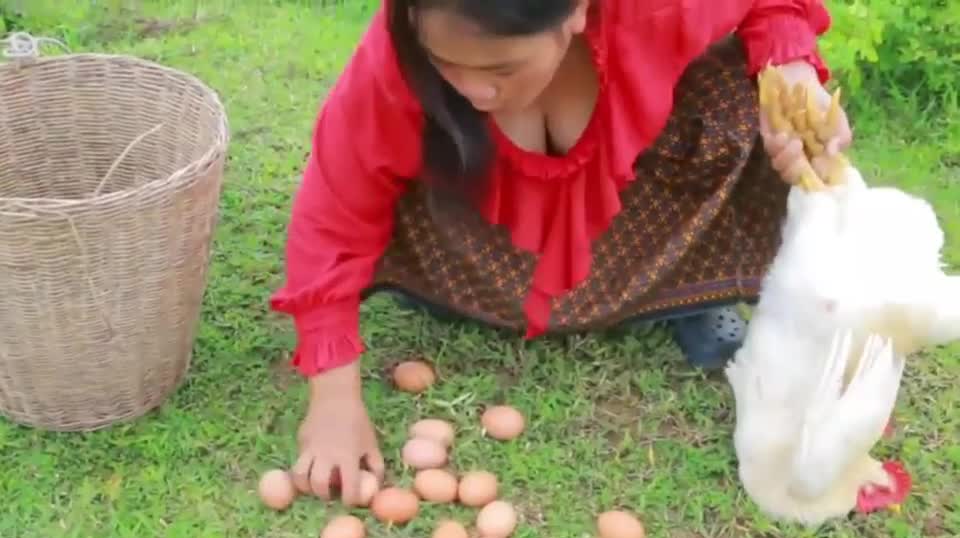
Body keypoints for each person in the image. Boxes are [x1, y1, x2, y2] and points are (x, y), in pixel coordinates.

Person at [270, 0, 853, 501]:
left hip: (633, 217)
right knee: (397, 146)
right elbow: (332, 212)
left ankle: (683, 298)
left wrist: (794, 73)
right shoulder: (398, 52)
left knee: (737, 93)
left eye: (502, 66)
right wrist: (334, 403)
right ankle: (459, 298)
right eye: (446, 64)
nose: (472, 89)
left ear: (576, 11)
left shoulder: (652, 9)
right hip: (476, 242)